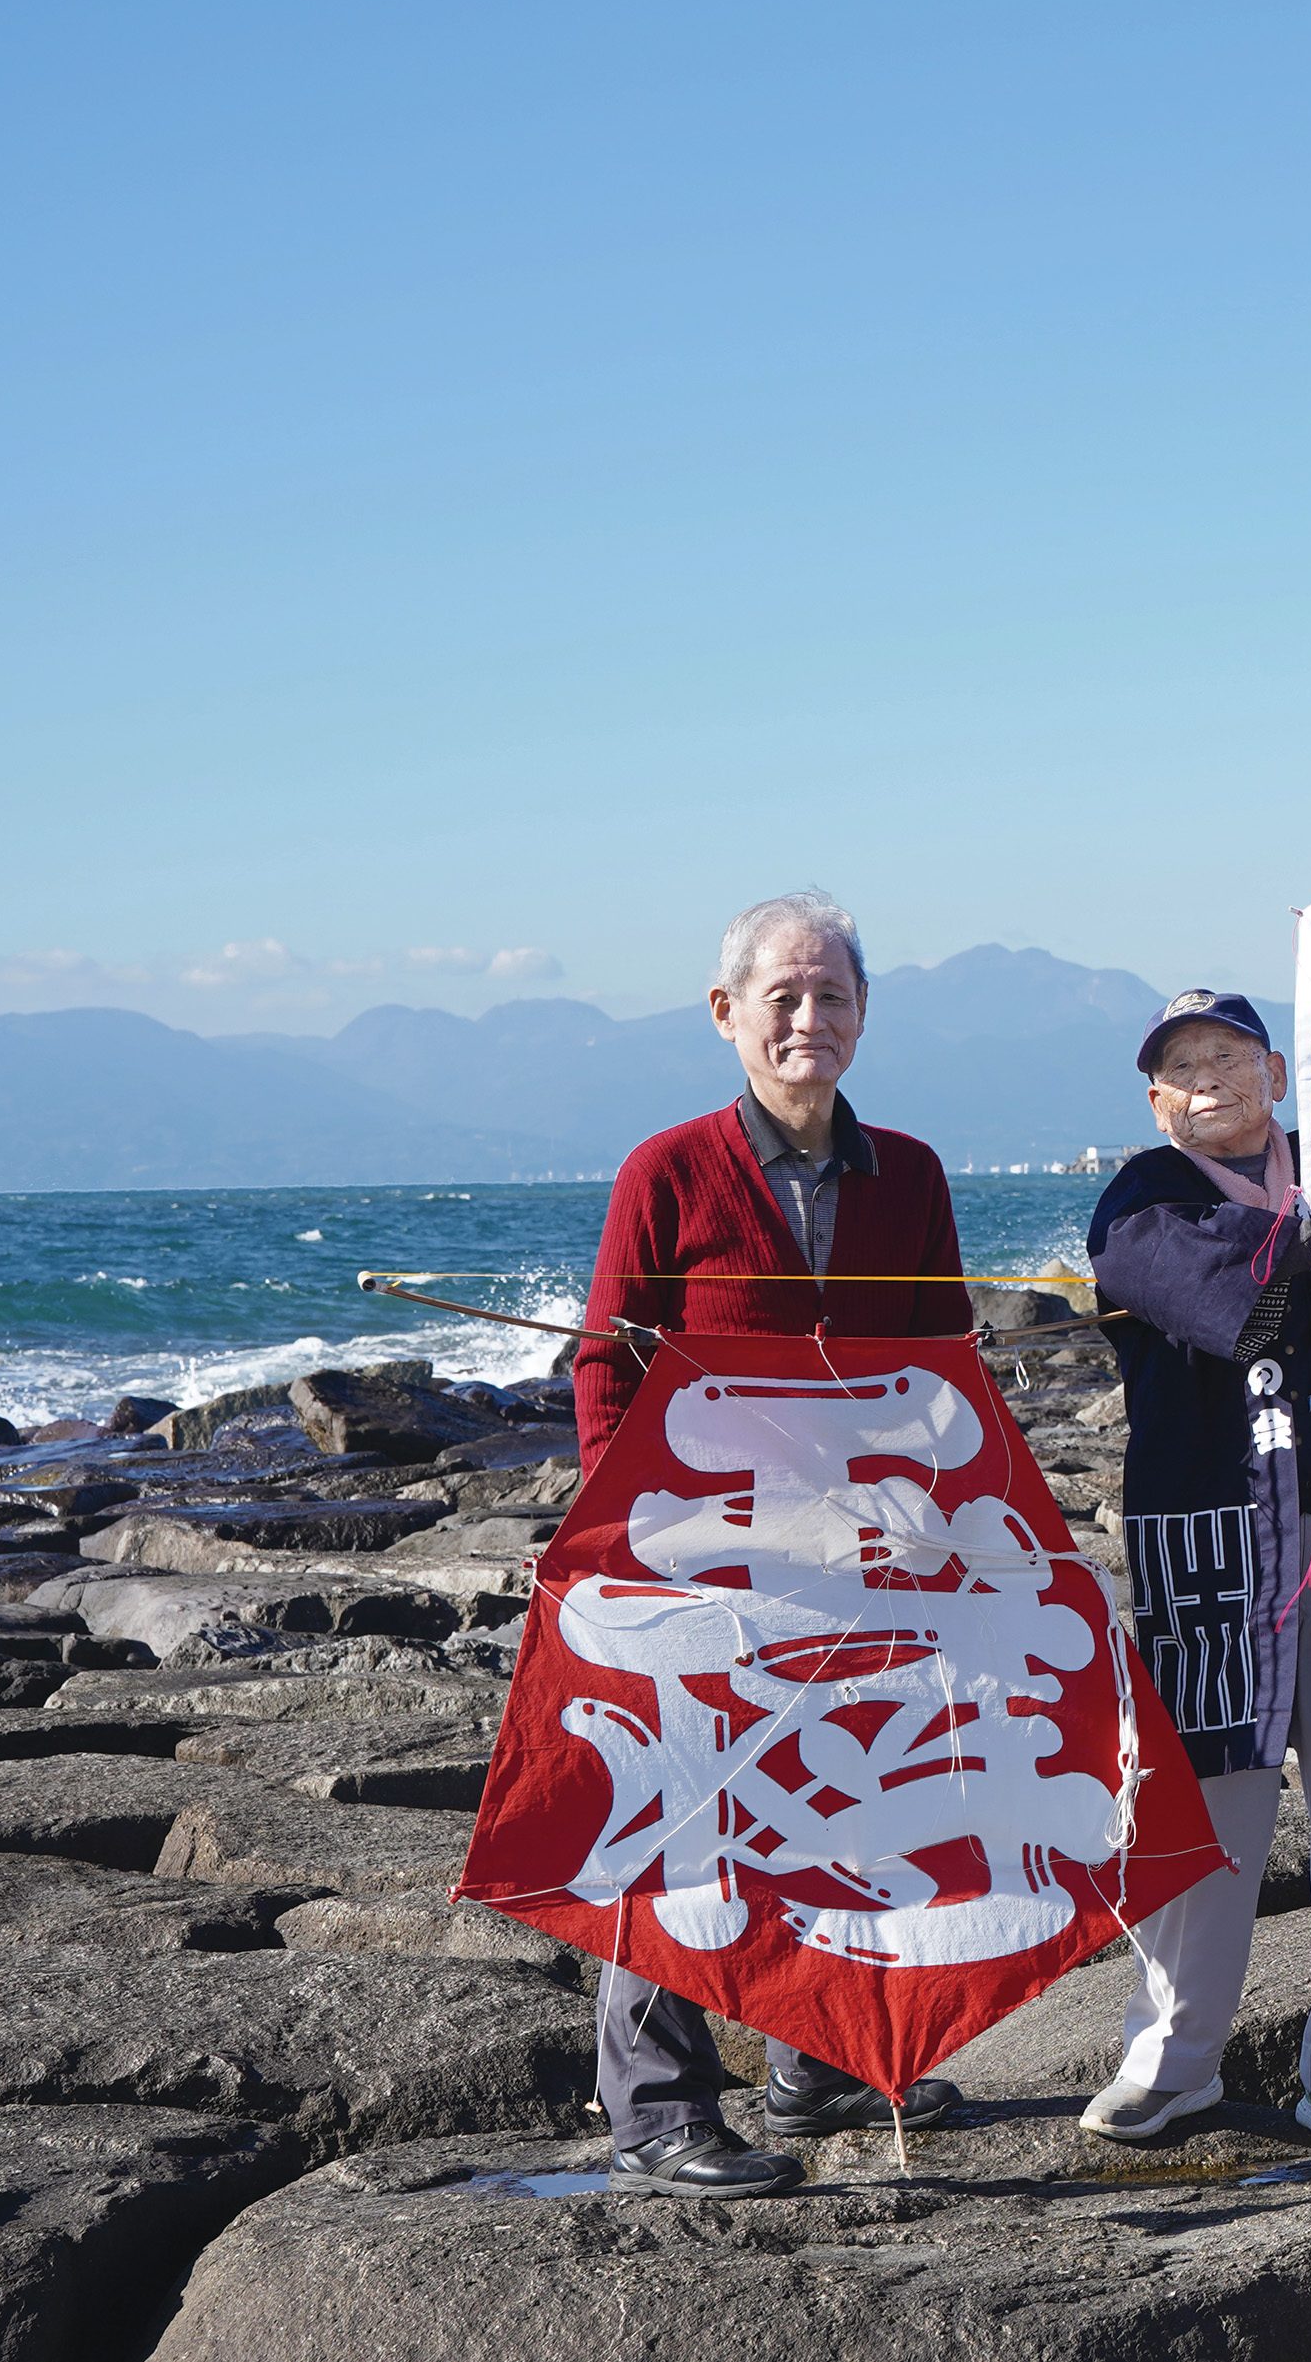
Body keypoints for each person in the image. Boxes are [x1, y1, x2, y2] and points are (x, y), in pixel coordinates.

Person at [572, 890, 972, 2201]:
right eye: (783, 996)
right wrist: (634, 1530)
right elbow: (602, 1364)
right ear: (726, 1013)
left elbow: (944, 1363)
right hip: (694, 1546)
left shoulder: (906, 1174)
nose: (810, 1018)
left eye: (834, 996)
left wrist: (946, 1511)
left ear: (865, 1017)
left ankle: (818, 2056)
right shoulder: (667, 1173)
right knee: (682, 1810)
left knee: (845, 1786)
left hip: (853, 1548)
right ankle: (659, 2108)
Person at [1081, 989, 1311, 2158]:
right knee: (1207, 1811)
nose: (1208, 1079)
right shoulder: (1140, 1198)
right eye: (1181, 1065)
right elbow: (1227, 1301)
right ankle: (1175, 2061)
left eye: (1230, 1057)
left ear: (1281, 1076)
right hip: (1217, 1545)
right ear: (1153, 1100)